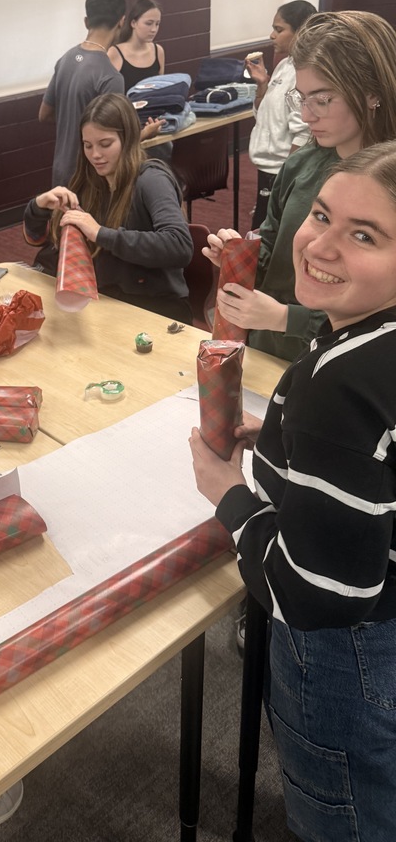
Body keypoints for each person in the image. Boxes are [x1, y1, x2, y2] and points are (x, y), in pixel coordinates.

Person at [190, 141, 396, 841]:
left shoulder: (341, 385)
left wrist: (229, 494)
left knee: (344, 809)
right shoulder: (369, 337)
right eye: (322, 216)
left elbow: (312, 594)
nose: (321, 246)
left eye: (365, 236)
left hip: (346, 660)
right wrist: (284, 437)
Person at [204, 9, 396, 361]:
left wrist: (286, 318)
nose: (307, 116)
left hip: (343, 358)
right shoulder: (301, 164)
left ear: (372, 94)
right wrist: (239, 256)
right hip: (268, 346)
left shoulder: (389, 185)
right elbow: (272, 244)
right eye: (301, 99)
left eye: (322, 100)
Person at [25, 92, 193, 323]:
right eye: (87, 145)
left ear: (128, 139)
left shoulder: (151, 179)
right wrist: (38, 207)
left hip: (154, 309)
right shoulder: (90, 182)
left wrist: (100, 234)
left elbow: (180, 246)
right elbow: (41, 240)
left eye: (105, 144)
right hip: (108, 300)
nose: (95, 155)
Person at [39, 0, 127, 187]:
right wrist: (146, 134)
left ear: (86, 22)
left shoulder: (65, 60)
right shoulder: (110, 77)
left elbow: (44, 114)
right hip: (90, 178)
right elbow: (112, 138)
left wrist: (72, 122)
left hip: (61, 172)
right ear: (122, 22)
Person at [243, 0, 317, 229]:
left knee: (268, 234)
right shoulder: (285, 64)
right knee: (260, 231)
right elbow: (264, 116)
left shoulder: (304, 71)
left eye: (279, 29)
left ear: (301, 32)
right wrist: (262, 84)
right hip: (267, 168)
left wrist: (287, 178)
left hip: (281, 171)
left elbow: (303, 132)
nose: (272, 36)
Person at [108, 0, 165, 91]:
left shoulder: (158, 51)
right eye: (148, 23)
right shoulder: (114, 53)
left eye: (157, 24)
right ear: (133, 23)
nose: (154, 29)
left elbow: (160, 89)